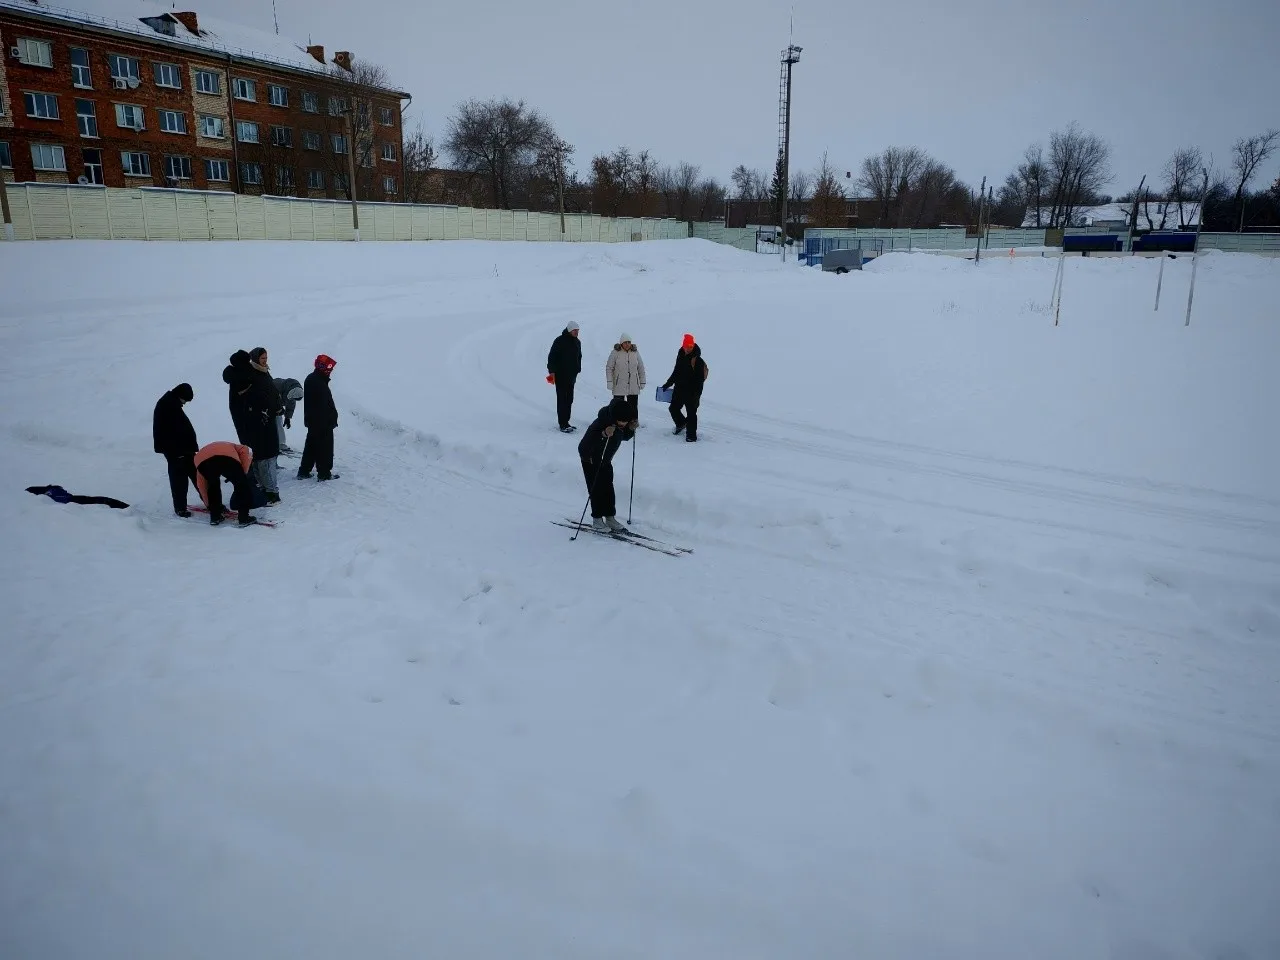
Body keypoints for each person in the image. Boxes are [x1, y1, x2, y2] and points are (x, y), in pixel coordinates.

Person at [576, 397, 637, 532]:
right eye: (622, 421)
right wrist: (604, 434)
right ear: (615, 417)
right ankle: (597, 520)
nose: (624, 423)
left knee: (608, 488)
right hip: (590, 458)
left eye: (626, 422)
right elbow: (586, 444)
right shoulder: (600, 422)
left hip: (605, 460)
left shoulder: (620, 421)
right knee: (596, 489)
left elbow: (624, 436)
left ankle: (610, 517)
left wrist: (631, 429)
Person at [153, 382, 199, 516]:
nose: (184, 403)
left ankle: (210, 501)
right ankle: (180, 508)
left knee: (196, 476)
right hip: (176, 451)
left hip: (183, 450)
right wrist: (177, 452)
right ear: (181, 395)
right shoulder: (168, 405)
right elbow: (169, 432)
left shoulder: (171, 403)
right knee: (180, 480)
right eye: (185, 400)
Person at [244, 347, 283, 503]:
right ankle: (270, 491)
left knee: (265, 457)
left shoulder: (264, 371)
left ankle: (266, 489)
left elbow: (271, 392)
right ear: (255, 359)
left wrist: (278, 406)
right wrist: (268, 409)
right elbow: (259, 398)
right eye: (262, 358)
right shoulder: (253, 374)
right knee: (265, 458)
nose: (265, 361)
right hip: (261, 423)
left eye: (266, 358)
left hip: (268, 419)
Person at [193, 440, 258, 526]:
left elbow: (202, 485)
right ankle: (244, 518)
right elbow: (245, 450)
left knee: (212, 486)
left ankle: (215, 517)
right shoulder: (235, 446)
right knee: (241, 485)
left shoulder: (204, 452)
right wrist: (242, 474)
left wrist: (209, 505)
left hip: (202, 461)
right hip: (227, 458)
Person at [661, 333, 710, 443]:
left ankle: (691, 436)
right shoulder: (680, 356)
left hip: (692, 392)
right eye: (686, 346)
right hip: (679, 389)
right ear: (683, 346)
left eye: (690, 347)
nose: (688, 349)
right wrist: (668, 383)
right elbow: (676, 372)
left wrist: (696, 394)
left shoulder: (697, 360)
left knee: (691, 414)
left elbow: (699, 380)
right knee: (673, 408)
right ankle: (681, 424)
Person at [298, 354, 339, 481]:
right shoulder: (317, 381)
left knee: (311, 446)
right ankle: (324, 473)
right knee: (324, 448)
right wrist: (330, 419)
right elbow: (323, 406)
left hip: (314, 421)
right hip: (321, 422)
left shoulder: (315, 379)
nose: (330, 372)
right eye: (328, 369)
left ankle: (304, 471)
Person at [546, 321, 582, 432]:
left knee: (569, 399)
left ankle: (566, 422)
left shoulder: (577, 342)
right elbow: (552, 357)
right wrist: (551, 371)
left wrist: (577, 369)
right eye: (574, 330)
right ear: (569, 330)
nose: (576, 332)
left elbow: (579, 356)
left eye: (578, 330)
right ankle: (562, 424)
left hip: (572, 376)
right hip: (561, 375)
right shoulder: (559, 341)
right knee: (562, 399)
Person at [605, 333, 645, 421]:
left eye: (629, 342)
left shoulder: (635, 352)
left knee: (633, 405)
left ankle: (633, 421)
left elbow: (641, 367)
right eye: (625, 342)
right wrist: (610, 381)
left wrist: (642, 381)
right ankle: (616, 421)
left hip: (633, 383)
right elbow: (609, 368)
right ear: (621, 343)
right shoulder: (615, 352)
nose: (627, 344)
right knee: (618, 405)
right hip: (619, 384)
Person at [273, 375, 304, 453]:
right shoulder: (276, 385)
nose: (294, 400)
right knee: (269, 424)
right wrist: (278, 408)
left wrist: (287, 418)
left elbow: (291, 405)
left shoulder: (293, 392)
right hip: (266, 404)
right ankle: (269, 444)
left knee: (278, 423)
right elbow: (269, 397)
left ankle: (280, 444)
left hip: (277, 407)